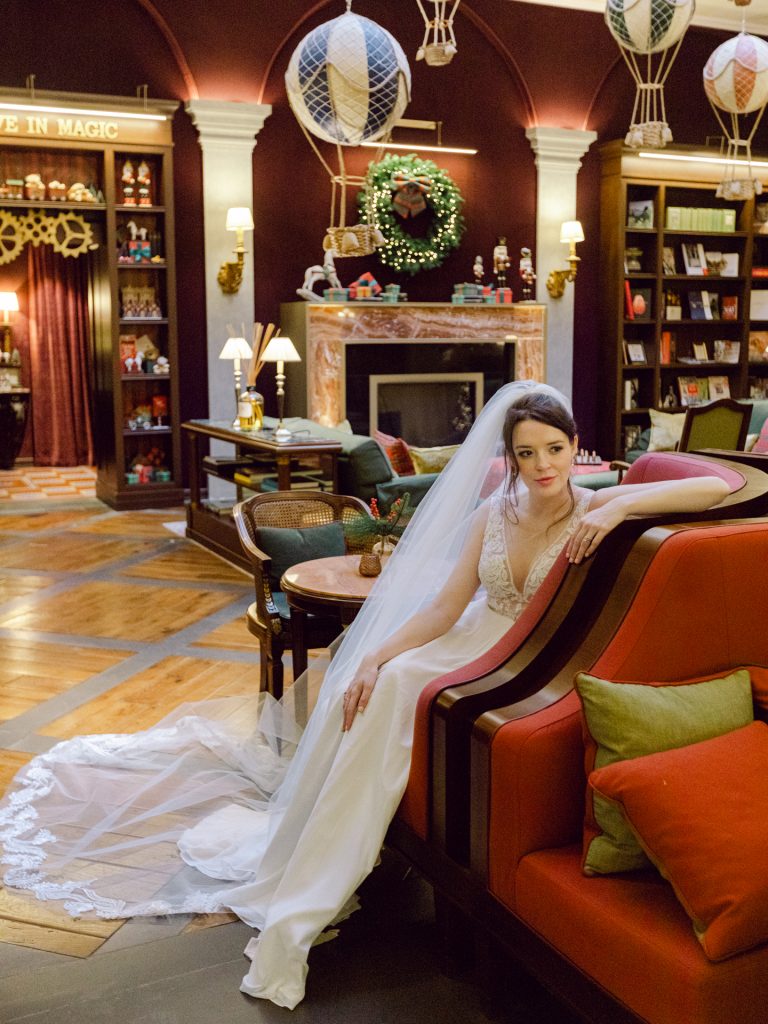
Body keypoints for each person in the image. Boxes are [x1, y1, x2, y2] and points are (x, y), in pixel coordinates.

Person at [0, 382, 729, 1010]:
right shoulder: (495, 513)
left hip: (523, 657)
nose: (543, 466)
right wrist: (375, 655)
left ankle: (332, 869)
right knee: (383, 679)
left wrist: (615, 505)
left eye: (556, 450)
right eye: (528, 453)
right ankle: (328, 851)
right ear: (509, 457)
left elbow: (720, 487)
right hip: (465, 637)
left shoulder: (595, 505)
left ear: (577, 448)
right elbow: (444, 608)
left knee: (407, 684)